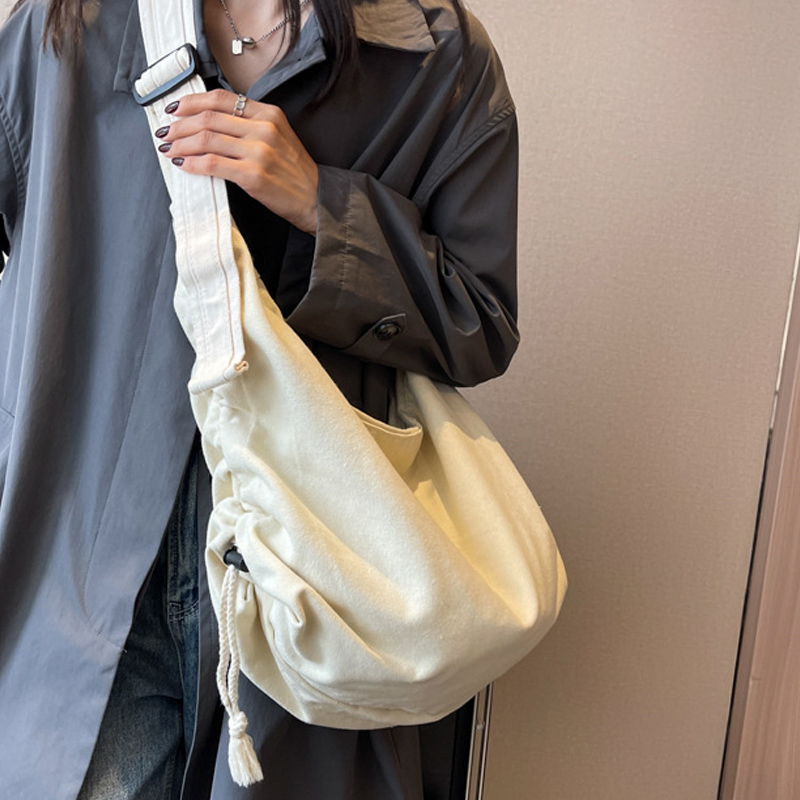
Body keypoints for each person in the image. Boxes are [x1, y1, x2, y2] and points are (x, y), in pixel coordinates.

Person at [0, 0, 520, 796]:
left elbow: (479, 321)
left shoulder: (437, 59)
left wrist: (322, 205)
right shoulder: (71, 24)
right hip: (87, 569)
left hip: (311, 579)